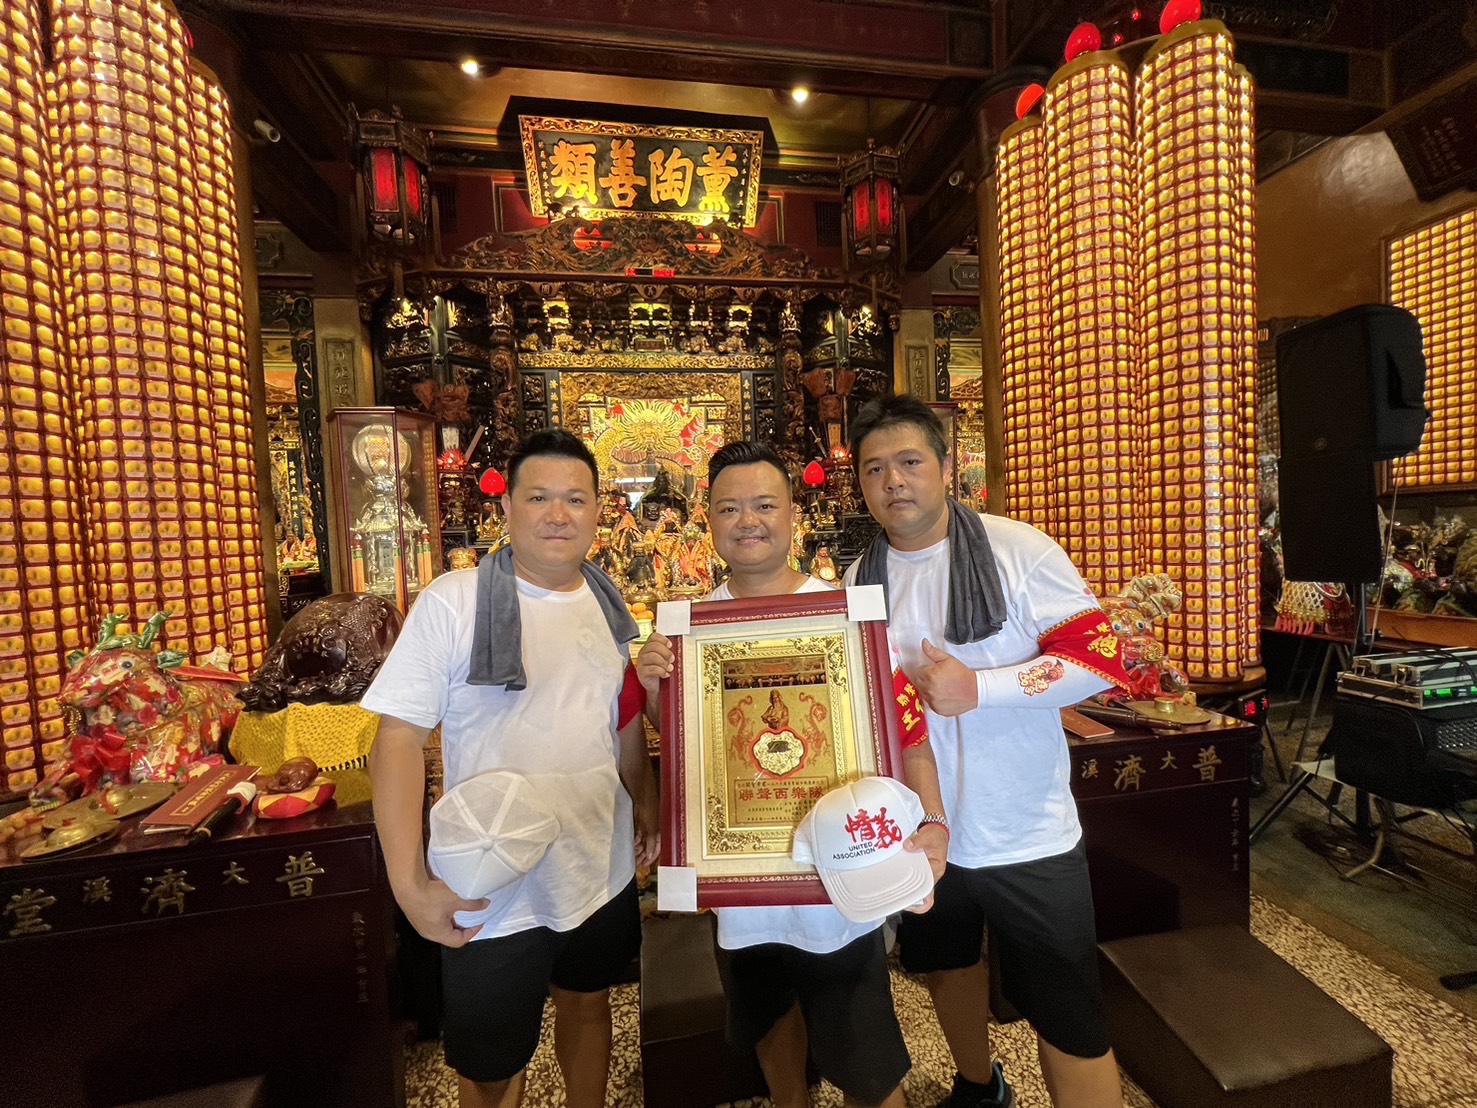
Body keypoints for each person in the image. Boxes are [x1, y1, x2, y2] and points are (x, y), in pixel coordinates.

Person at [637, 440, 948, 1108]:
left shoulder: (845, 617)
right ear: (708, 520)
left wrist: (933, 823)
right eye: (729, 508)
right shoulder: (692, 631)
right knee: (768, 1022)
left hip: (839, 880)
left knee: (864, 1057)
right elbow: (686, 743)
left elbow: (909, 732)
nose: (747, 521)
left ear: (793, 515)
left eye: (764, 505)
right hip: (743, 883)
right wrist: (658, 687)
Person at [843, 396, 1128, 1108]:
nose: (893, 481)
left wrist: (980, 687)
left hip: (1025, 829)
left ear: (947, 468)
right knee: (945, 967)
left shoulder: (1017, 550)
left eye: (909, 462)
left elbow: (1100, 660)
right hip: (923, 830)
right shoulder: (858, 580)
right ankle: (979, 1085)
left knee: (1068, 1012)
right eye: (874, 469)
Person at [363, 428, 659, 1108]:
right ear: (506, 508)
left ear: (598, 510)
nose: (558, 514)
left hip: (597, 863)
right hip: (488, 880)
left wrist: (642, 802)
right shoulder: (455, 600)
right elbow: (397, 740)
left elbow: (616, 723)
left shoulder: (607, 603)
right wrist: (410, 884)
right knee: (490, 1059)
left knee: (590, 1004)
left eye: (575, 500)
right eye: (538, 497)